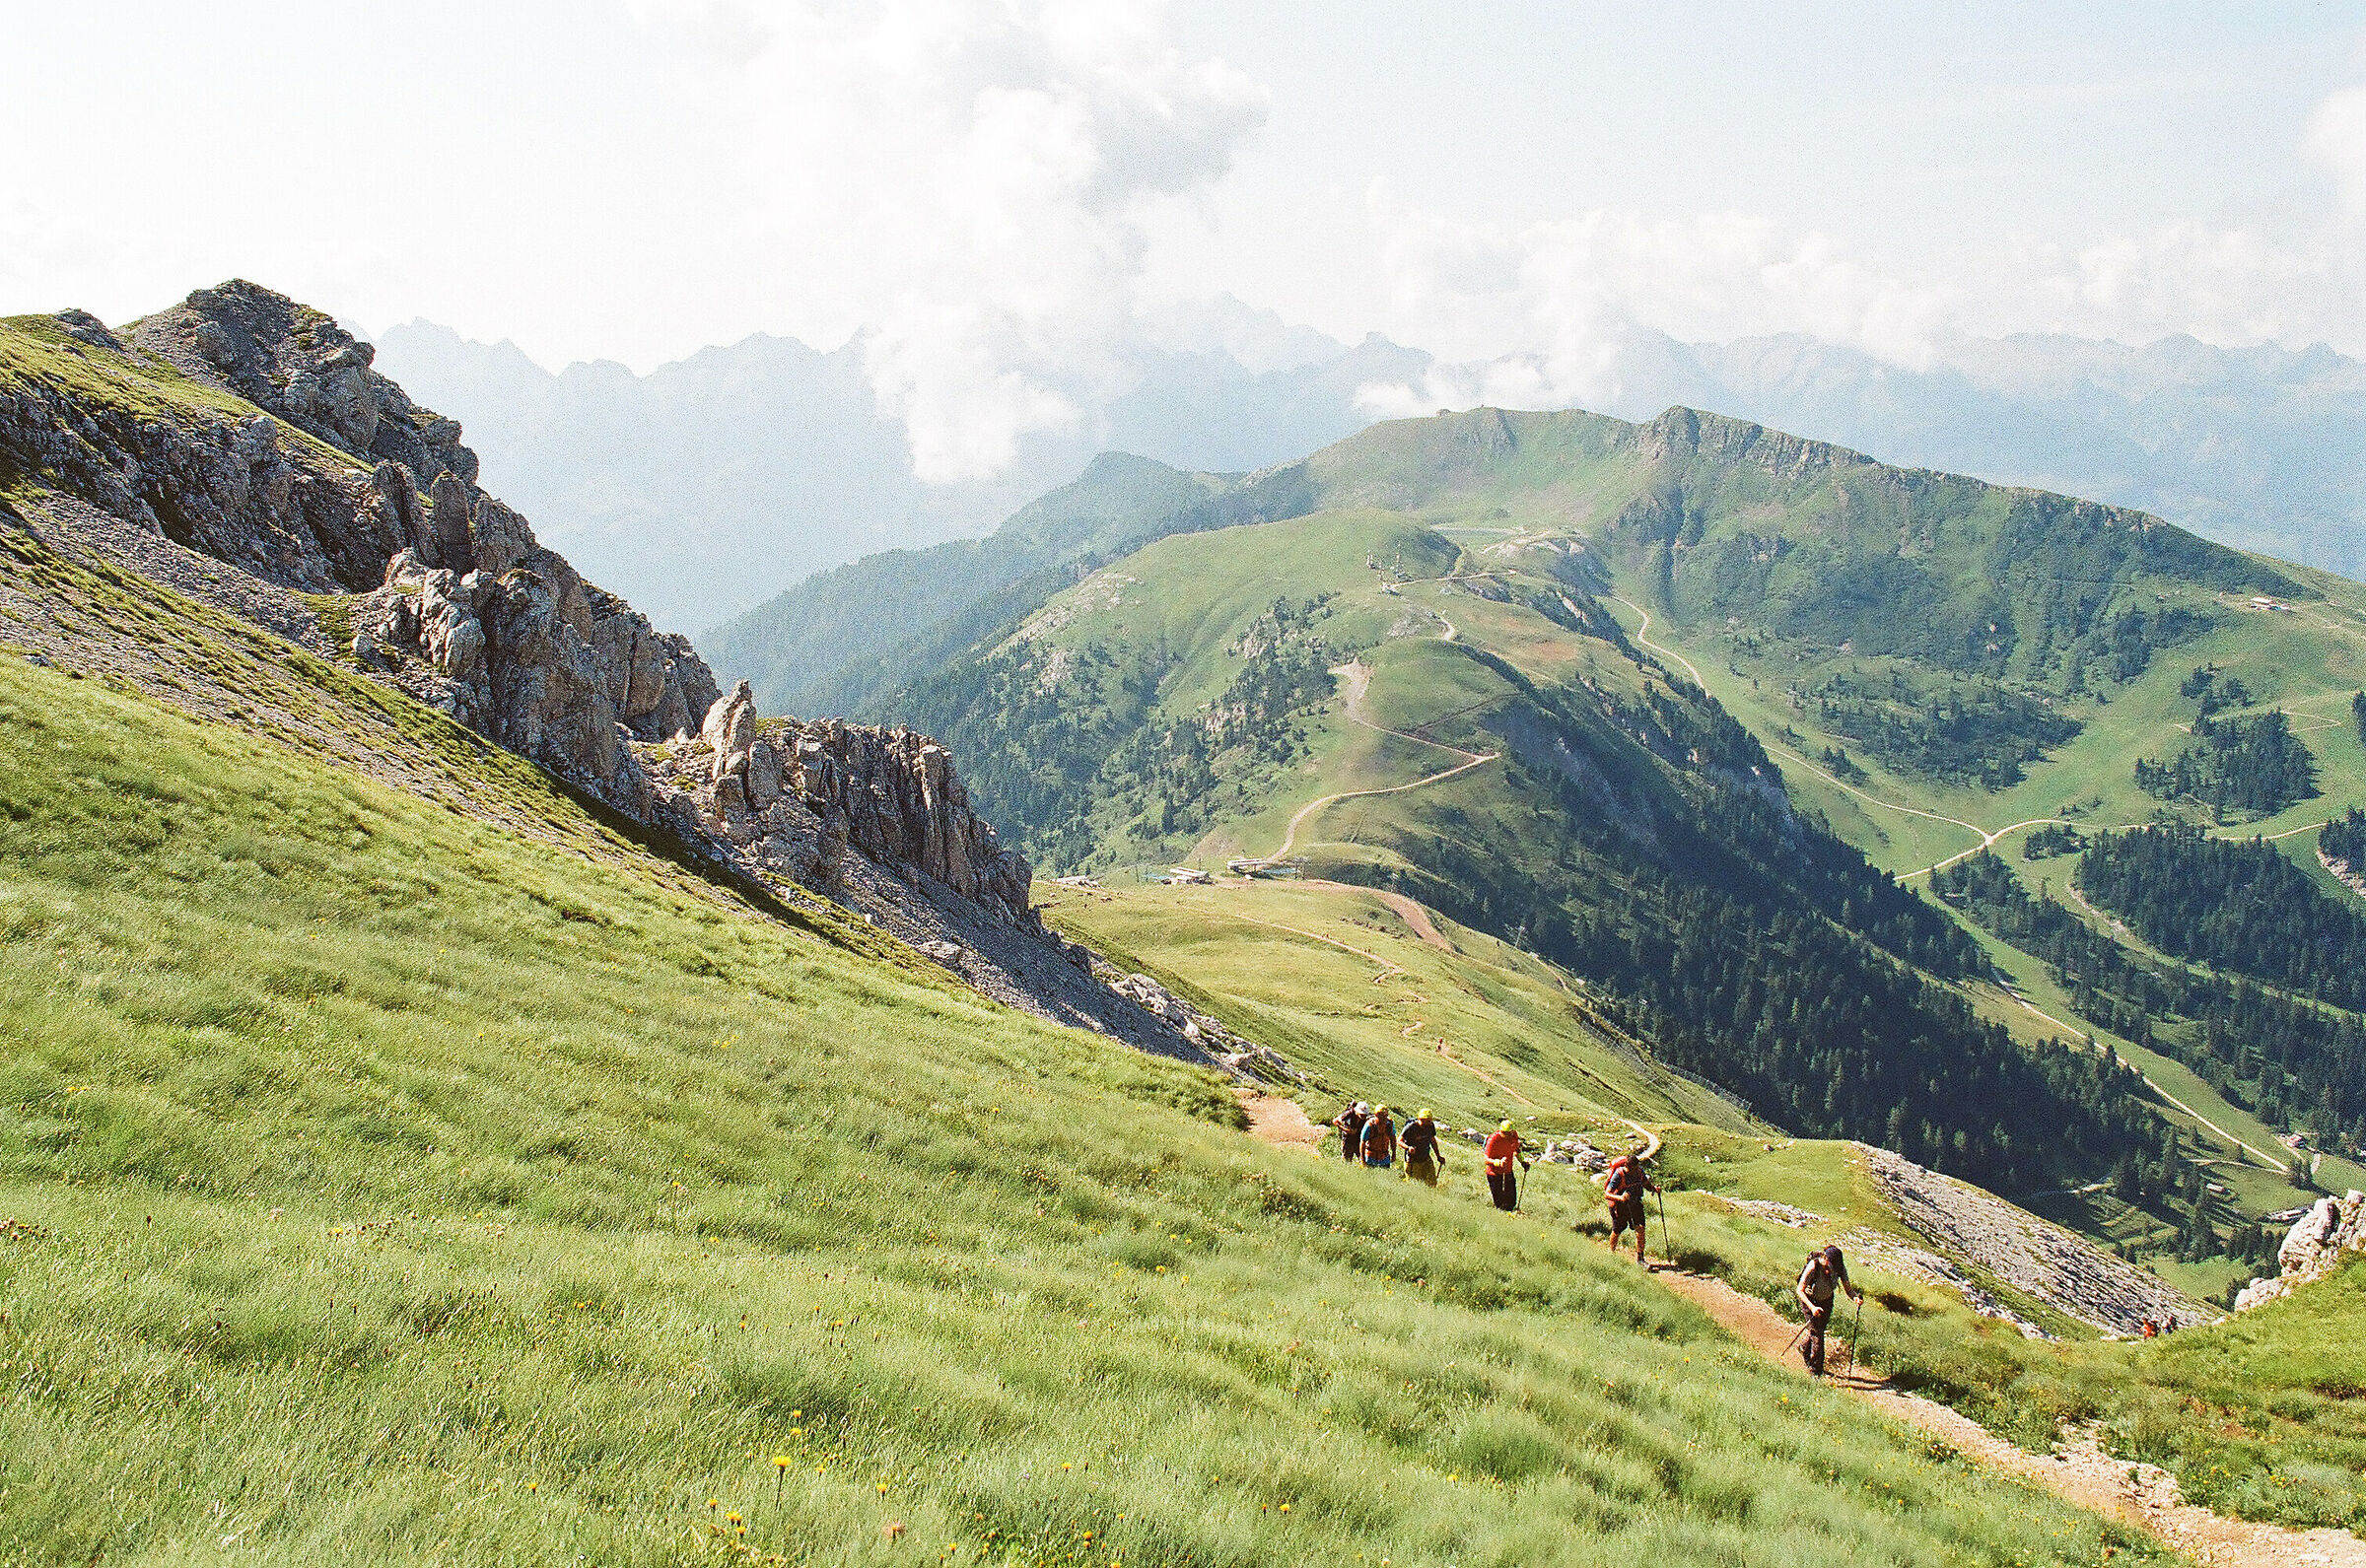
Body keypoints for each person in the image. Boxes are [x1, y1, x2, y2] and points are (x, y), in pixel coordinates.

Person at [1795, 1243, 1862, 1376]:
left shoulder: (1839, 1268)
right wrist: (1812, 1307)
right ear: (1825, 1258)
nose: (1832, 1269)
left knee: (1817, 1331)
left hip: (1826, 1302)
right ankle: (1815, 1371)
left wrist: (1855, 1298)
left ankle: (1804, 1348)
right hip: (1810, 1301)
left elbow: (1848, 1290)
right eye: (1831, 1265)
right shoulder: (1814, 1266)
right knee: (1818, 1335)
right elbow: (1800, 1290)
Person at [1602, 1151, 1660, 1263]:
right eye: (1633, 1169)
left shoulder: (1639, 1172)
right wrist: (1621, 1198)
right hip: (1620, 1206)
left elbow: (1645, 1183)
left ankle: (1640, 1258)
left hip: (1635, 1203)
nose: (1636, 1171)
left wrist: (1654, 1189)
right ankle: (1611, 1253)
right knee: (1618, 1229)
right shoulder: (1618, 1175)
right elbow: (1607, 1194)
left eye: (1637, 1168)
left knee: (1641, 1228)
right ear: (1627, 1166)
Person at [1484, 1121, 1527, 1211]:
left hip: (1508, 1171)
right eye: (1503, 1132)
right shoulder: (1493, 1139)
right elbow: (1486, 1160)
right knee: (1500, 1204)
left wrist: (1522, 1161)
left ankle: (1511, 1217)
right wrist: (1498, 1162)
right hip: (1494, 1173)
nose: (1506, 1135)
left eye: (1508, 1133)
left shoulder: (1514, 1136)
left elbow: (1517, 1150)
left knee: (1511, 1201)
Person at [1401, 1109, 1445, 1187]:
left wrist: (1438, 1156)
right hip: (1412, 1160)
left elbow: (1433, 1141)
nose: (1429, 1123)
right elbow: (1399, 1141)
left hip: (1425, 1158)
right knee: (1414, 1184)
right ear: (1420, 1119)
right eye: (1427, 1121)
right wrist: (1408, 1148)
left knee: (1432, 1182)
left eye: (1430, 1120)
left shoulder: (1430, 1126)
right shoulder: (1411, 1127)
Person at [1359, 1104, 1398, 1170]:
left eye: (1386, 1116)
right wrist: (1363, 1160)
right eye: (1382, 1116)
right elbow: (1362, 1142)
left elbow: (1393, 1139)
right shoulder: (1369, 1125)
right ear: (1376, 1115)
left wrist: (1394, 1154)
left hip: (1384, 1158)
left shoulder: (1390, 1124)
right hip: (1370, 1158)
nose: (1384, 1118)